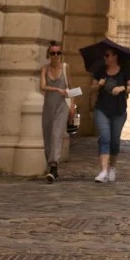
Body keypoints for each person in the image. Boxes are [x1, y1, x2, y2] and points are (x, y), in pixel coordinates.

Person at [90, 45, 130, 183]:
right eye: (105, 55)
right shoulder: (100, 71)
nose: (105, 58)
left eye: (108, 55)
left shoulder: (125, 70)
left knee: (114, 141)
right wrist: (99, 84)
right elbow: (91, 88)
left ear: (115, 56)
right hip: (102, 109)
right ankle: (103, 171)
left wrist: (122, 88)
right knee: (104, 138)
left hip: (119, 111)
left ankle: (112, 168)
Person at [39, 41, 75, 183]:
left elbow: (72, 88)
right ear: (48, 55)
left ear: (61, 54)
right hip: (48, 107)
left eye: (58, 53)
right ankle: (51, 166)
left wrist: (72, 106)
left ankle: (54, 166)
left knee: (56, 134)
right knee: (47, 137)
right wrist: (57, 89)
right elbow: (42, 86)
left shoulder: (66, 68)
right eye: (53, 53)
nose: (55, 55)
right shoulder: (44, 69)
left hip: (62, 107)